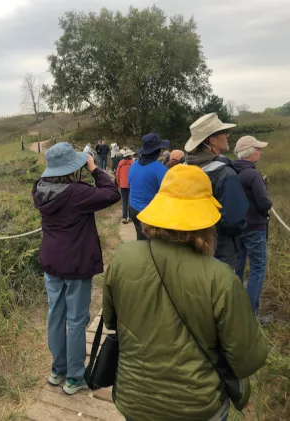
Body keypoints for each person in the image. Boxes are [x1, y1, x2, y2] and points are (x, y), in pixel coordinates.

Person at [103, 165, 268, 421]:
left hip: (133, 399)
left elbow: (112, 321)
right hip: (197, 407)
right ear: (206, 220)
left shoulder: (123, 258)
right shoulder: (222, 278)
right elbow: (247, 359)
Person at [32, 142, 120, 395]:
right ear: (74, 166)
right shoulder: (77, 193)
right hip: (76, 263)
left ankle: (57, 370)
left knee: (55, 315)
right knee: (77, 319)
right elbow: (112, 193)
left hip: (51, 261)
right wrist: (94, 168)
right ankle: (73, 377)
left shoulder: (39, 189)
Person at [185, 113, 249, 269]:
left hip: (188, 245)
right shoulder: (225, 174)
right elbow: (235, 221)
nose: (227, 136)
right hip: (220, 250)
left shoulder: (184, 169)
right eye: (223, 132)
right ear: (212, 140)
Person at [233, 136, 272, 316]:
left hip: (237, 227)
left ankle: (236, 308)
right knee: (257, 267)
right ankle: (251, 315)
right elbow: (264, 203)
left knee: (238, 266)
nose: (261, 152)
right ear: (250, 153)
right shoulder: (253, 175)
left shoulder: (231, 171)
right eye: (258, 148)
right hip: (255, 227)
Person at [129, 133, 170, 240]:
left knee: (140, 238)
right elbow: (168, 192)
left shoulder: (134, 165)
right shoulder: (160, 169)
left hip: (133, 209)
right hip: (148, 213)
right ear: (158, 151)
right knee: (152, 244)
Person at [116, 149, 135, 224]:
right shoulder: (133, 163)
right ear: (130, 155)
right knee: (131, 200)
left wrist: (119, 183)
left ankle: (124, 217)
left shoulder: (121, 163)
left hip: (123, 184)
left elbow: (117, 174)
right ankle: (130, 217)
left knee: (124, 201)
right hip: (131, 185)